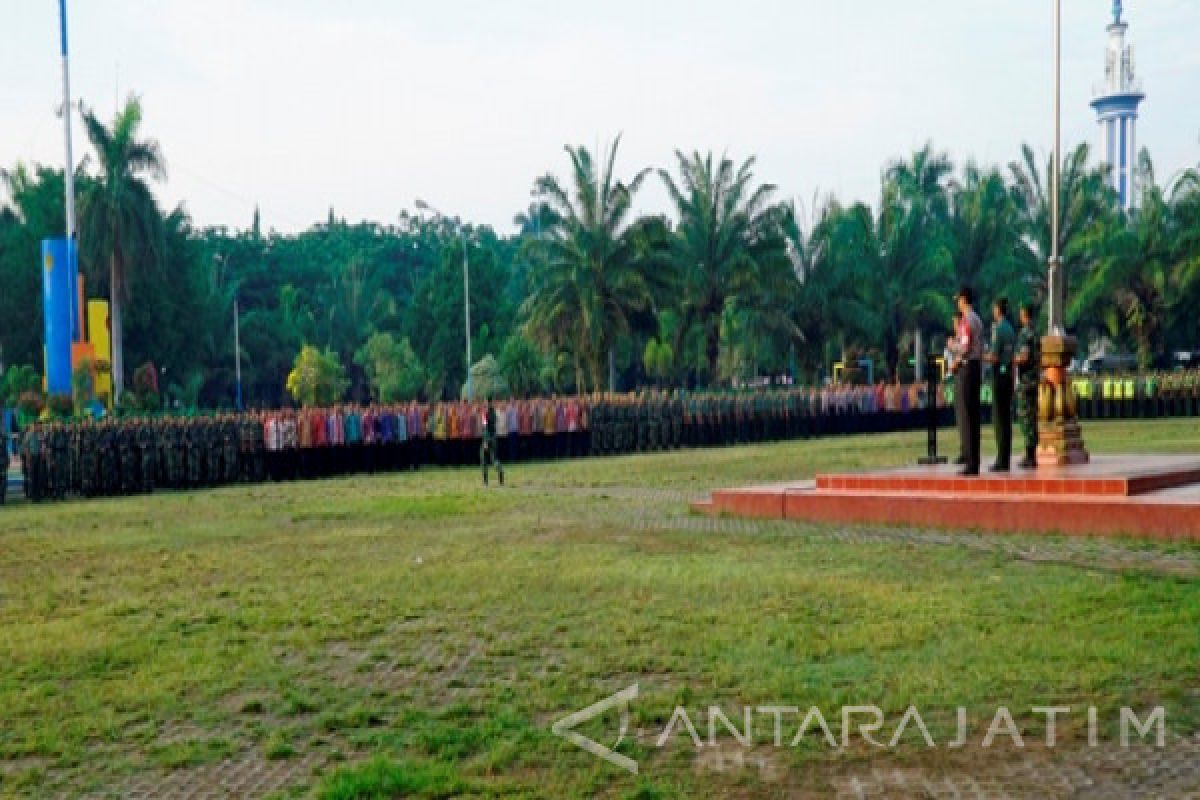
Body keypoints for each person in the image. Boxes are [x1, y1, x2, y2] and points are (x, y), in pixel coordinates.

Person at [952, 286, 984, 476]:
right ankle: (975, 459)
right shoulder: (978, 319)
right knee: (974, 415)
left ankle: (970, 462)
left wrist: (954, 352)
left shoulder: (967, 320)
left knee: (966, 415)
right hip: (976, 366)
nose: (958, 303)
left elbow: (964, 346)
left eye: (958, 299)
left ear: (964, 300)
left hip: (967, 367)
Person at [984, 297, 1016, 472]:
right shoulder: (1010, 329)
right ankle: (1005, 457)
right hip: (1008, 375)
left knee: (999, 419)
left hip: (999, 376)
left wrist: (981, 355)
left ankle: (1001, 460)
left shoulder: (999, 329)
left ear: (998, 309)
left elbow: (995, 356)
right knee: (1006, 420)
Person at [1014, 303, 1041, 469]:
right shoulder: (1036, 332)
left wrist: (1011, 359)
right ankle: (1031, 453)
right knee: (1032, 417)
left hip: (1026, 380)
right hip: (1034, 378)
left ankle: (1030, 455)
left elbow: (1024, 357)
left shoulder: (1025, 334)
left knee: (1026, 418)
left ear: (1024, 314)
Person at [481, 398, 504, 487]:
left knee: (483, 459)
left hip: (487, 438)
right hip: (494, 438)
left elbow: (485, 427)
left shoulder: (484, 414)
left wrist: (486, 441)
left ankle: (485, 482)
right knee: (494, 458)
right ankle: (500, 471)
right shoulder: (493, 413)